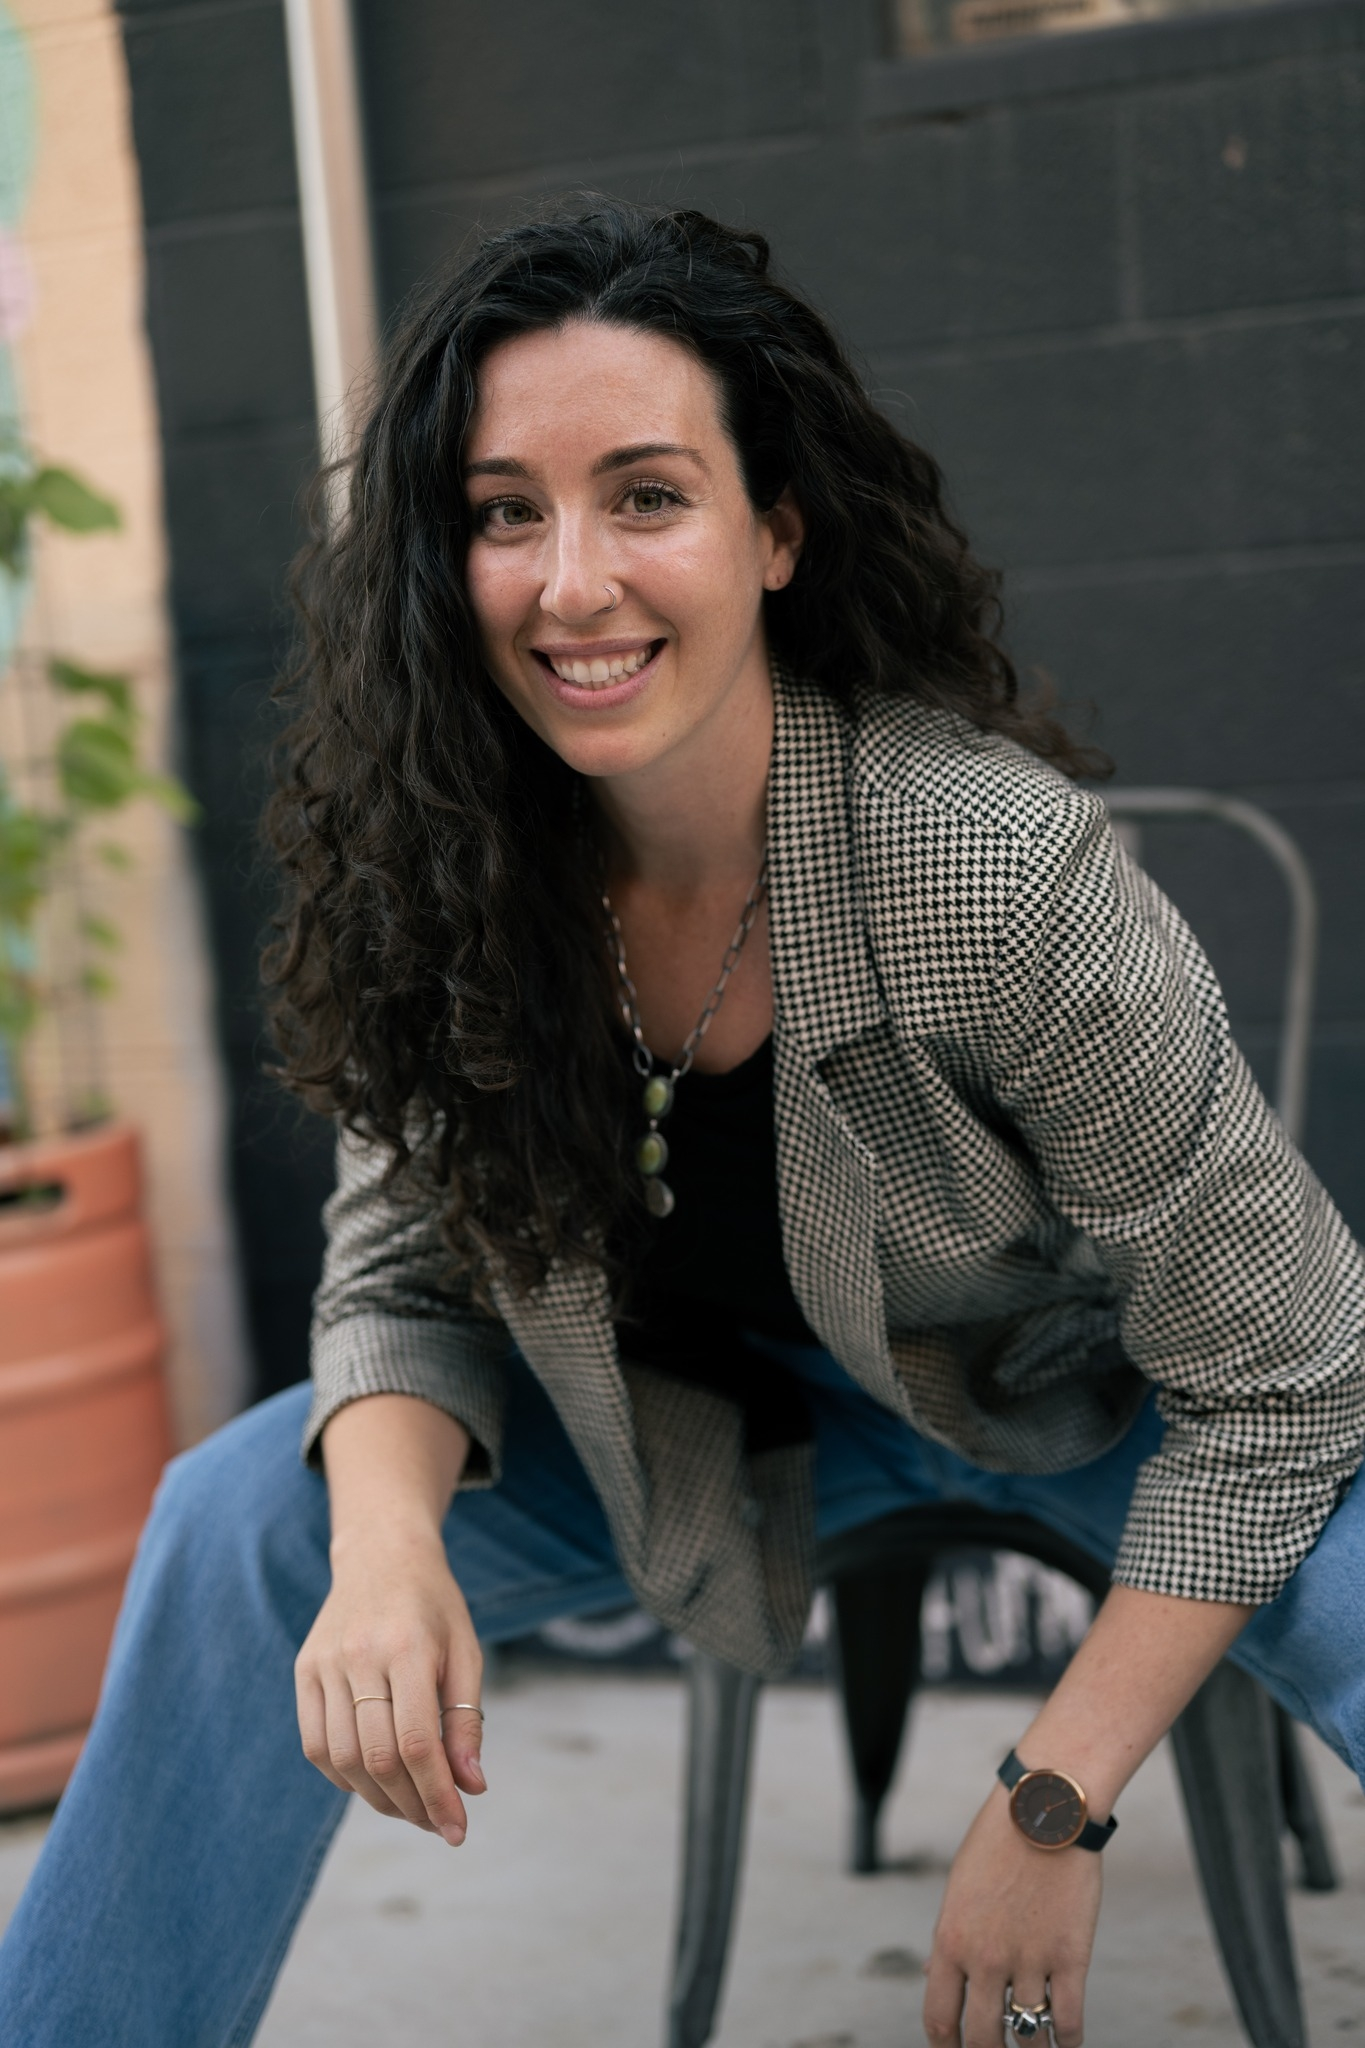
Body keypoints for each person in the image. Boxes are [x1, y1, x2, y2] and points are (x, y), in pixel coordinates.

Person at [1, 198, 1362, 2048]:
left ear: (776, 530)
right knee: (244, 1520)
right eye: (505, 511)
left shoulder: (986, 864)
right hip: (694, 1445)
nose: (572, 582)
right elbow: (405, 1257)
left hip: (1082, 1407)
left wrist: (1054, 1793)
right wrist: (386, 1557)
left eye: (647, 495)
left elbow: (1288, 1373)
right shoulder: (448, 858)